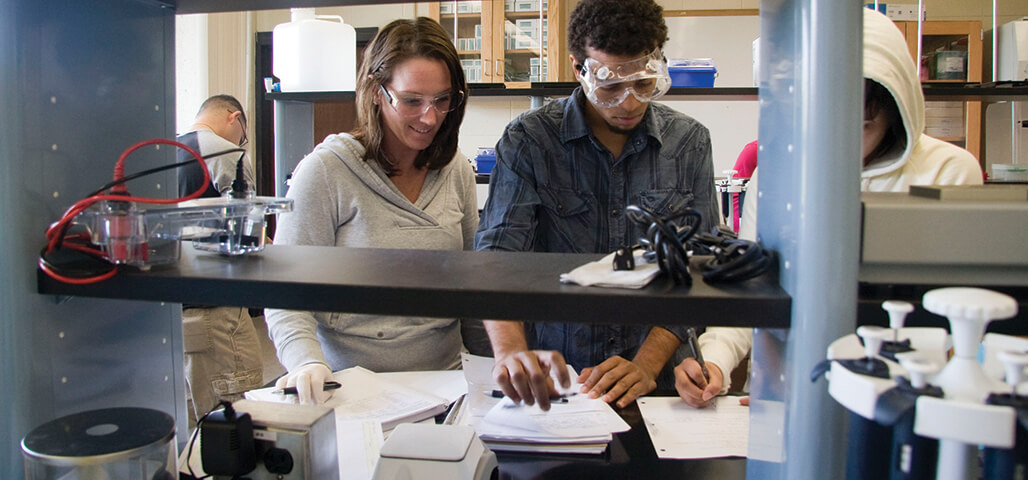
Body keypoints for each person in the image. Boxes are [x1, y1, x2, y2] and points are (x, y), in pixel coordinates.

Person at [674, 7, 984, 409]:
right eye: (824, 121)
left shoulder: (947, 171)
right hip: (787, 392)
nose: (840, 142)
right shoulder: (777, 175)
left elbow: (957, 319)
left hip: (902, 399)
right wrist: (714, 360)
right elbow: (750, 290)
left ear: (894, 107)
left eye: (860, 127)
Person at [475, 0, 719, 411]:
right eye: (610, 87)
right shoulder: (531, 141)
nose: (628, 104)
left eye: (643, 84)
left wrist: (645, 364)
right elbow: (498, 257)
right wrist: (511, 352)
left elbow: (698, 264)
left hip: (659, 386)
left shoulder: (689, 143)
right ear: (578, 68)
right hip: (558, 380)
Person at [264, 17, 477, 405]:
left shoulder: (455, 170)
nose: (429, 117)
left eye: (443, 100)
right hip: (350, 390)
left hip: (447, 386)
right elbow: (284, 292)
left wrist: (493, 368)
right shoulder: (327, 171)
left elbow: (475, 287)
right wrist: (306, 363)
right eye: (412, 100)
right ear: (376, 92)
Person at [176, 94, 263, 426]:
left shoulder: (168, 152)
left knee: (200, 416)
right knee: (236, 415)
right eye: (242, 134)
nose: (241, 143)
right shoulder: (226, 152)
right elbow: (247, 228)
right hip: (218, 308)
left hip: (176, 306)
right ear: (234, 117)